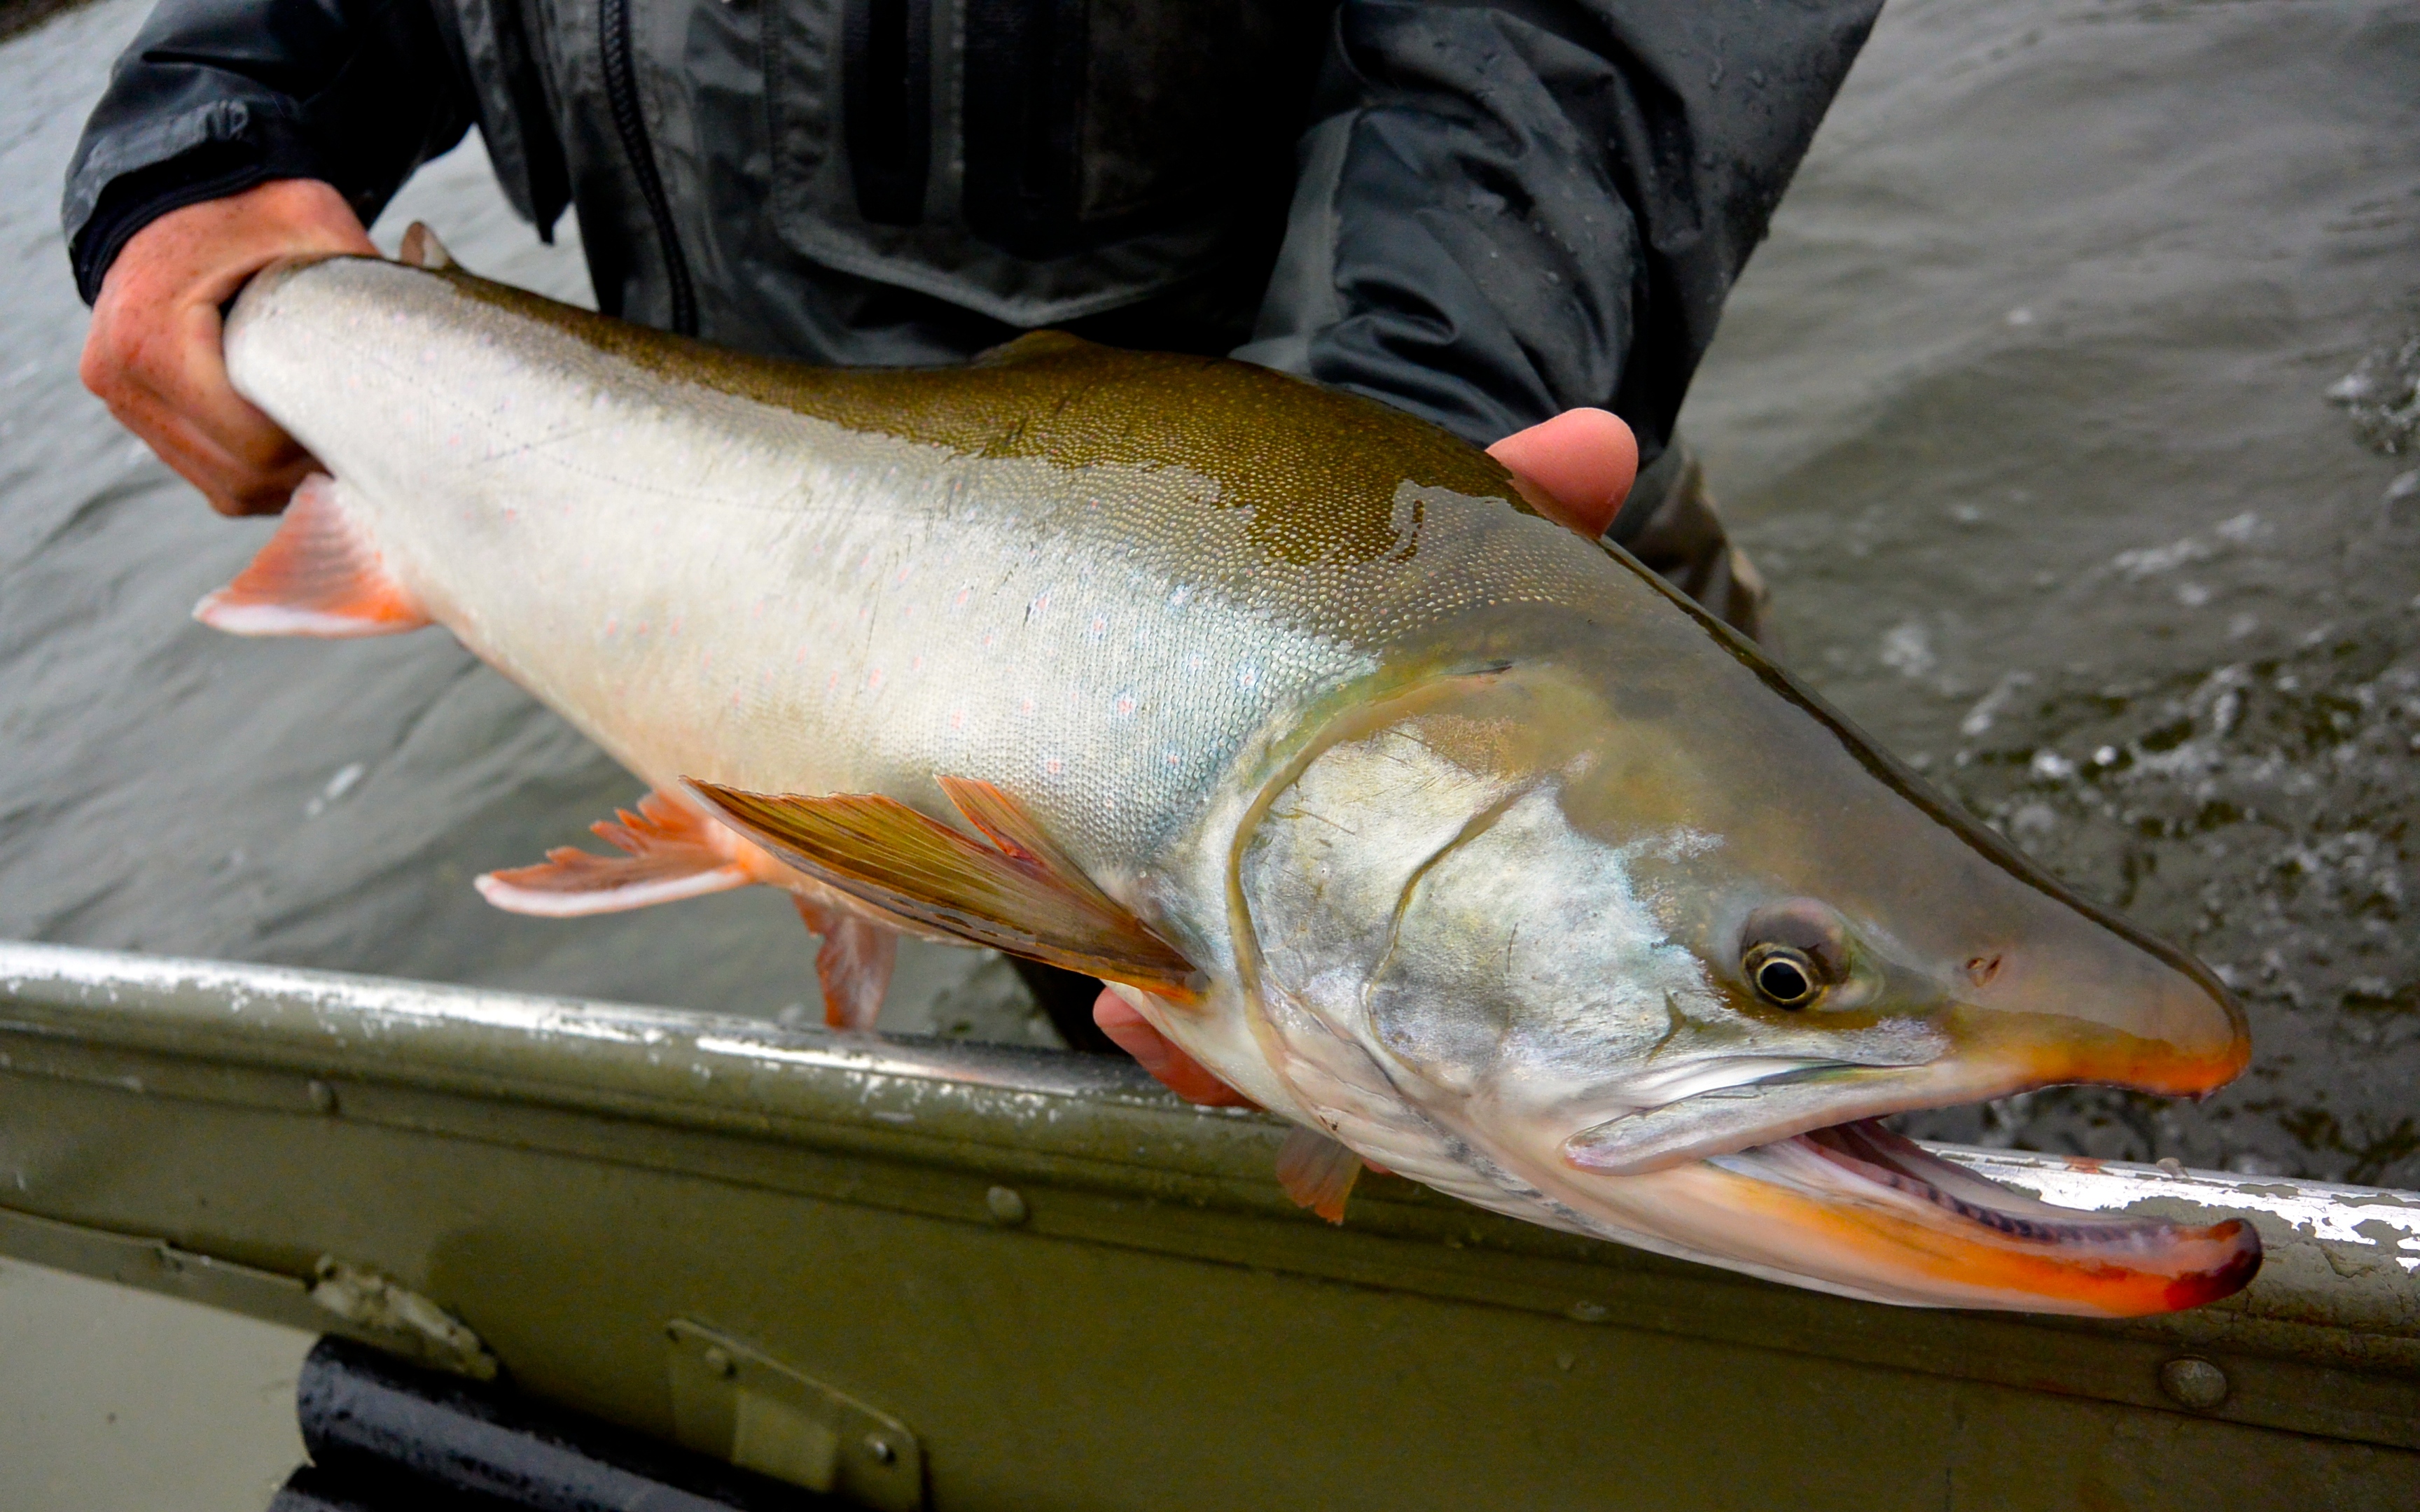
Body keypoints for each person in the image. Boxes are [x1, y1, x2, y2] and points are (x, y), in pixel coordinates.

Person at [65, 0, 1882, 1102]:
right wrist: (196, 147)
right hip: (846, 657)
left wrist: (1384, 482)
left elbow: (1581, 49)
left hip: (1432, 570)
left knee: (1730, 1049)